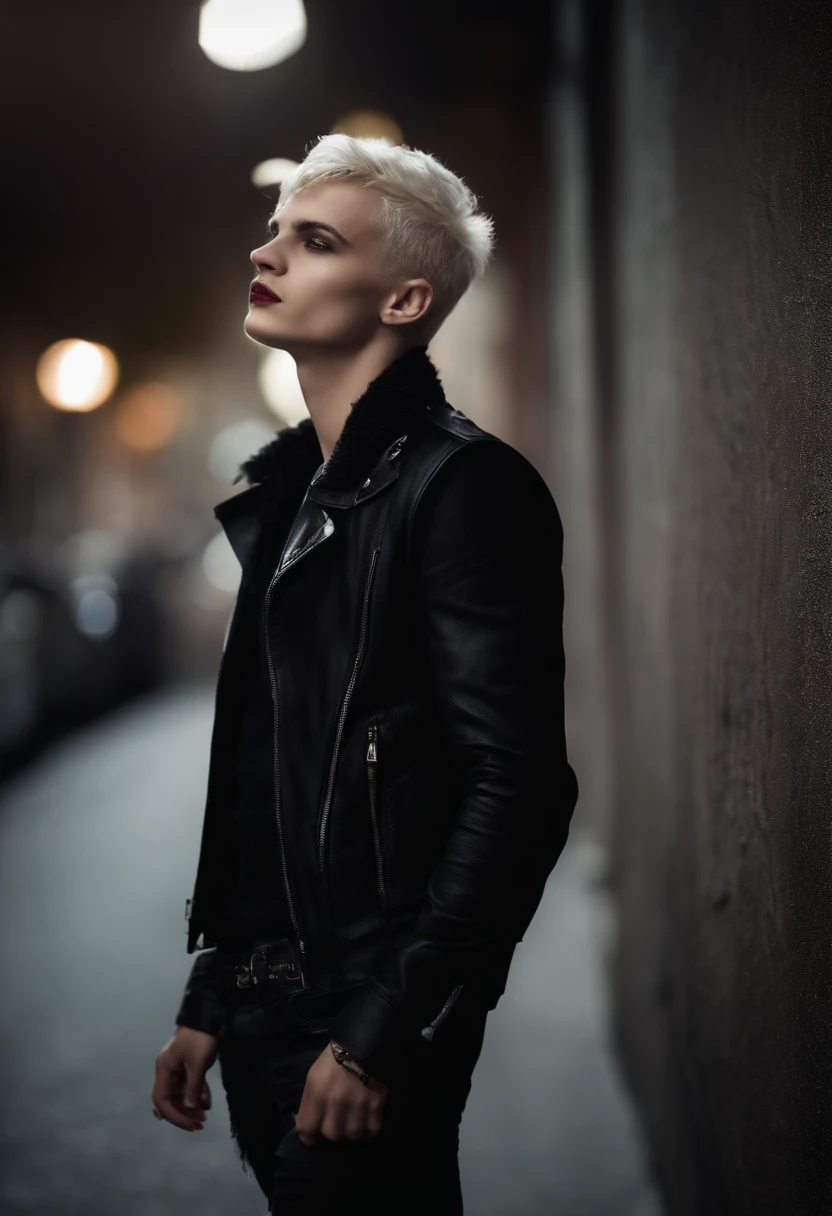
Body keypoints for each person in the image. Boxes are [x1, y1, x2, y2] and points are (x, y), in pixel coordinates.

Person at [151, 132, 579, 1214]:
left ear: (402, 300)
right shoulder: (291, 506)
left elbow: (518, 786)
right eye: (275, 229)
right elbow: (270, 777)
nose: (272, 249)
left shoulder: (465, 488)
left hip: (365, 1018)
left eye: (316, 238)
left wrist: (386, 1030)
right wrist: (214, 988)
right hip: (266, 1014)